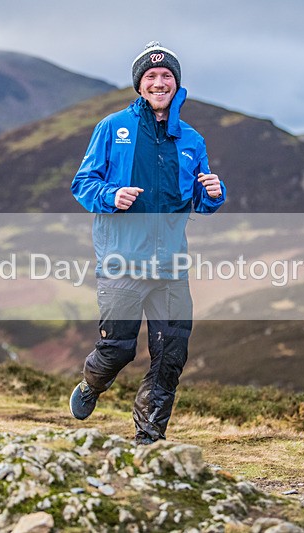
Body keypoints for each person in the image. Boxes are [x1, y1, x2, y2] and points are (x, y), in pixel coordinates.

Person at [69, 41, 226, 445]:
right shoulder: (112, 128)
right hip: (122, 260)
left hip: (171, 266)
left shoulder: (191, 140)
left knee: (171, 356)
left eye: (167, 76)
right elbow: (83, 184)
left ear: (176, 84)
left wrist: (212, 193)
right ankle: (91, 384)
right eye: (151, 76)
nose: (159, 82)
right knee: (118, 349)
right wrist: (110, 196)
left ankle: (148, 440)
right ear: (140, 85)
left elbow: (199, 200)